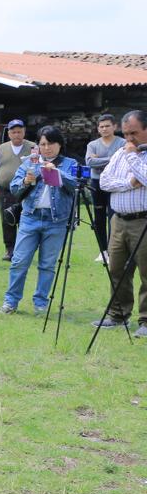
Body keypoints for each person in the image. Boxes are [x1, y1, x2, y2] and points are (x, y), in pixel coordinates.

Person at [0, 126, 78, 315]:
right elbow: (15, 188)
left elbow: (77, 185)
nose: (47, 148)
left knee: (47, 265)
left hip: (56, 221)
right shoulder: (29, 162)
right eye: (43, 144)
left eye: (51, 143)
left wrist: (57, 173)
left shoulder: (69, 163)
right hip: (30, 218)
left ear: (60, 144)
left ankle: (40, 304)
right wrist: (26, 180)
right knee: (19, 261)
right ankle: (11, 302)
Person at [96, 110, 147, 336]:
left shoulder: (130, 154)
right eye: (125, 133)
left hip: (143, 220)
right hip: (118, 220)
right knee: (116, 269)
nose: (129, 139)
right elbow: (105, 181)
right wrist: (129, 183)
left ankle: (146, 321)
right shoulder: (120, 152)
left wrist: (133, 156)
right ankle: (118, 315)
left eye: (134, 133)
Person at [0, 120, 36, 260]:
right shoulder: (2, 148)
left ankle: (24, 251)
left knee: (26, 220)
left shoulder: (33, 147)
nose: (17, 134)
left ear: (24, 132)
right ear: (9, 133)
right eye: (13, 132)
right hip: (6, 191)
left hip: (27, 191)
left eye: (19, 131)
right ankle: (9, 250)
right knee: (7, 220)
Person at [86, 114, 125, 262]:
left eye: (107, 126)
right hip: (97, 184)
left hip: (115, 183)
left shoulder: (122, 143)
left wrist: (99, 160)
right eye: (101, 126)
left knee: (113, 217)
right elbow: (90, 162)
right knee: (99, 218)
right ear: (98, 129)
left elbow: (123, 160)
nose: (104, 129)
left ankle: (112, 249)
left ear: (115, 126)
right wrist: (112, 159)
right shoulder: (93, 145)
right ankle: (102, 251)